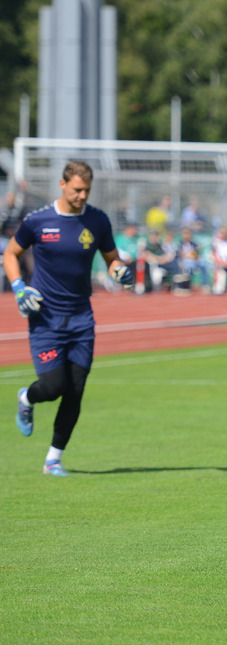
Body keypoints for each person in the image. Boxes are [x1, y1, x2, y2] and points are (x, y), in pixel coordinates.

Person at [3, 161, 132, 476]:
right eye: (76, 189)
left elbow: (111, 259)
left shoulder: (97, 220)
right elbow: (10, 254)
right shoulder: (38, 221)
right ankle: (27, 397)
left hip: (81, 320)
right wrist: (20, 288)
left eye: (86, 190)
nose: (82, 195)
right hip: (46, 319)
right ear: (62, 185)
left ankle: (53, 459)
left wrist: (120, 270)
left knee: (75, 390)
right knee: (52, 386)